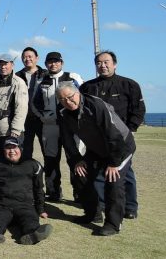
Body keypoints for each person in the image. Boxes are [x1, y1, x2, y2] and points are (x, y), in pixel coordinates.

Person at [57, 82, 136, 236]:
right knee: (80, 173)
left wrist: (113, 163)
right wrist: (76, 160)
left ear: (78, 93)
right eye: (62, 99)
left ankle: (113, 224)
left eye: (70, 97)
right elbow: (67, 141)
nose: (67, 101)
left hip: (121, 147)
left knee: (113, 180)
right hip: (96, 149)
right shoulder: (64, 114)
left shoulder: (96, 106)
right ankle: (93, 213)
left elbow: (115, 135)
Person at [80, 50, 145, 219]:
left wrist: (130, 129)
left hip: (121, 138)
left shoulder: (129, 85)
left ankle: (130, 207)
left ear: (114, 64)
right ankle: (101, 205)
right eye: (99, 63)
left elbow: (138, 110)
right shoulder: (88, 87)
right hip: (97, 138)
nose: (103, 65)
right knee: (98, 172)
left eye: (106, 62)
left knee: (125, 171)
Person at [0, 137, 52, 245]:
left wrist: (40, 209)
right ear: (3, 150)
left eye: (14, 147)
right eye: (8, 148)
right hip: (3, 204)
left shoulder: (33, 164)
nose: (12, 151)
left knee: (30, 219)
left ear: (20, 149)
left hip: (24, 204)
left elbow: (39, 189)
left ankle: (33, 234)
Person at [31, 51, 83, 202]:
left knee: (75, 158)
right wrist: (43, 117)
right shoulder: (42, 81)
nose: (53, 64)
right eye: (50, 62)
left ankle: (80, 193)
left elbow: (84, 96)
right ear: (46, 64)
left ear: (61, 62)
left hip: (72, 127)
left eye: (56, 61)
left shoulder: (73, 77)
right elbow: (34, 103)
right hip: (50, 126)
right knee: (51, 160)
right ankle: (53, 192)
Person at [0, 54, 28, 160]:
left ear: (12, 65)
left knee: (12, 162)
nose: (3, 66)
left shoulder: (18, 83)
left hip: (11, 132)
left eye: (5, 64)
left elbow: (21, 108)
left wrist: (15, 131)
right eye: (0, 64)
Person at [16, 47, 47, 160]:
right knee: (25, 152)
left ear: (37, 58)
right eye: (24, 57)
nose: (27, 59)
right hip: (24, 119)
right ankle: (27, 177)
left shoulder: (46, 74)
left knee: (47, 151)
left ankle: (50, 177)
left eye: (30, 56)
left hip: (42, 119)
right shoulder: (17, 76)